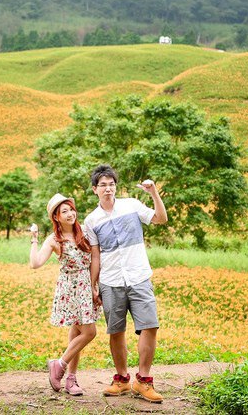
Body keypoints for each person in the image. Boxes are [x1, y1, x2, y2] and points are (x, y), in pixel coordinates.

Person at [85, 164, 168, 403]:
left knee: (149, 325)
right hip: (110, 281)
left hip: (139, 275)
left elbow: (160, 218)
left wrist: (153, 193)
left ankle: (143, 381)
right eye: (103, 185)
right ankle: (121, 380)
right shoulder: (92, 220)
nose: (108, 188)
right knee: (116, 330)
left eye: (111, 184)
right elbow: (96, 255)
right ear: (95, 190)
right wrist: (93, 285)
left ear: (115, 187)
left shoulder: (131, 205)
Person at [29, 193, 101, 396]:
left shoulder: (85, 232)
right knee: (89, 333)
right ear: (56, 217)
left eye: (71, 209)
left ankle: (71, 379)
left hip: (86, 286)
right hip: (70, 290)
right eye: (64, 211)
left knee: (78, 333)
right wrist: (34, 240)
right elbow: (35, 263)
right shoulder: (54, 240)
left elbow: (96, 257)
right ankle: (58, 364)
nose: (70, 214)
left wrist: (95, 285)